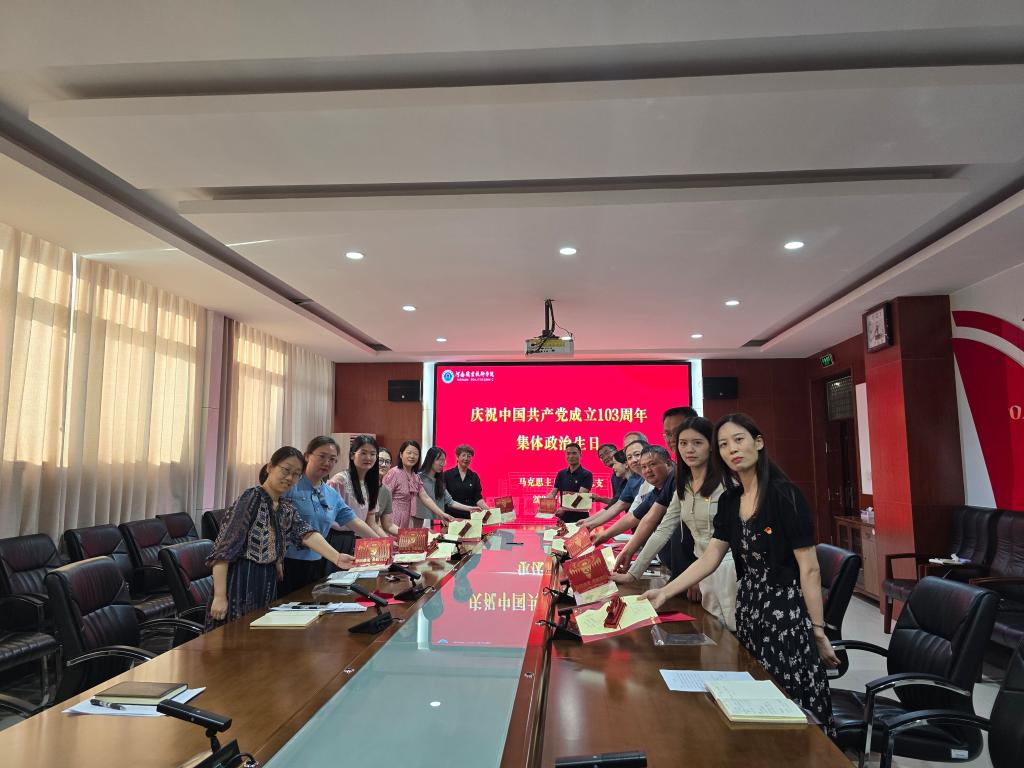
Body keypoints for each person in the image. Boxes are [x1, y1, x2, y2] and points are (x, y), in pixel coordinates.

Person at [642, 413, 839, 735]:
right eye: (723, 444)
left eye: (738, 440)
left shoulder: (784, 494)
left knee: (787, 699)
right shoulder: (732, 500)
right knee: (753, 693)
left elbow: (810, 568)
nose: (732, 449)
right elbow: (711, 556)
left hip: (784, 612)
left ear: (758, 443)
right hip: (749, 605)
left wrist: (817, 629)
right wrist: (665, 591)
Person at [206, 446, 354, 629]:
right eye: (286, 470)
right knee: (236, 635)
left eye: (296, 474)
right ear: (270, 467)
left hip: (266, 581)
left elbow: (306, 533)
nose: (290, 478)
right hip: (241, 580)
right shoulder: (251, 498)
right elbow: (223, 551)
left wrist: (336, 557)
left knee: (259, 636)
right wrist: (220, 596)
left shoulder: (285, 506)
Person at [612, 417, 737, 630]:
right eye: (683, 443)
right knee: (715, 634)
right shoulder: (684, 485)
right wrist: (634, 573)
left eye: (697, 443)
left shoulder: (729, 485)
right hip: (701, 572)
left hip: (731, 572)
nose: (689, 450)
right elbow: (663, 530)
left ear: (712, 446)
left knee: (735, 634)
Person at [281, 436, 382, 594]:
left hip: (318, 561)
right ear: (307, 456)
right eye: (322, 456)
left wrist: (383, 545)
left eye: (332, 459)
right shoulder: (291, 485)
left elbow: (354, 521)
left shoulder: (331, 494)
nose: (327, 462)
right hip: (287, 562)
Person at [592, 445, 675, 548]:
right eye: (629, 457)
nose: (634, 460)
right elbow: (632, 514)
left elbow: (648, 519)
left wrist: (602, 532)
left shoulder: (672, 482)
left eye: (637, 454)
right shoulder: (642, 485)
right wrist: (602, 532)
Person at [382, 440, 455, 529]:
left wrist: (442, 514)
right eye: (409, 453)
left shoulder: (415, 477)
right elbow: (383, 499)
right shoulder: (394, 473)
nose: (412, 456)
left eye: (416, 454)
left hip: (408, 519)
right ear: (401, 455)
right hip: (392, 518)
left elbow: (425, 498)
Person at [328, 435, 390, 538]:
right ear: (352, 455)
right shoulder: (339, 480)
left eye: (372, 454)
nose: (368, 458)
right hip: (337, 538)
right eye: (363, 453)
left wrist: (387, 542)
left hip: (360, 538)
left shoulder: (370, 484)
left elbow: (372, 523)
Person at [581, 441, 645, 531]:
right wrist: (589, 522)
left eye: (607, 452)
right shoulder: (616, 477)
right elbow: (617, 503)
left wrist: (591, 523)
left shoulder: (640, 479)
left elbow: (620, 505)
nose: (605, 457)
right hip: (636, 525)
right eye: (601, 456)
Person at [414, 447, 482, 527]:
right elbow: (425, 498)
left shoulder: (439, 481)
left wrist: (470, 508)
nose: (442, 464)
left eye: (443, 461)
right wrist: (442, 514)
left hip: (431, 522)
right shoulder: (418, 478)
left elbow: (450, 502)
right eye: (439, 460)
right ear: (430, 460)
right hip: (417, 519)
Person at [547, 442, 594, 521]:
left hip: (580, 519)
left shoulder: (587, 474)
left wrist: (564, 509)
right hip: (562, 519)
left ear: (580, 455)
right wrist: (545, 505)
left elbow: (581, 496)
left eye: (574, 453)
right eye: (568, 454)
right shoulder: (561, 474)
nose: (571, 456)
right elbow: (553, 493)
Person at [443, 444, 489, 519]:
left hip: (470, 517)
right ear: (457, 457)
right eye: (463, 455)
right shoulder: (447, 475)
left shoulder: (474, 476)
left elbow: (478, 498)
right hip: (451, 517)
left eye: (469, 456)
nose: (466, 458)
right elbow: (442, 498)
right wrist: (442, 515)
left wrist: (489, 511)